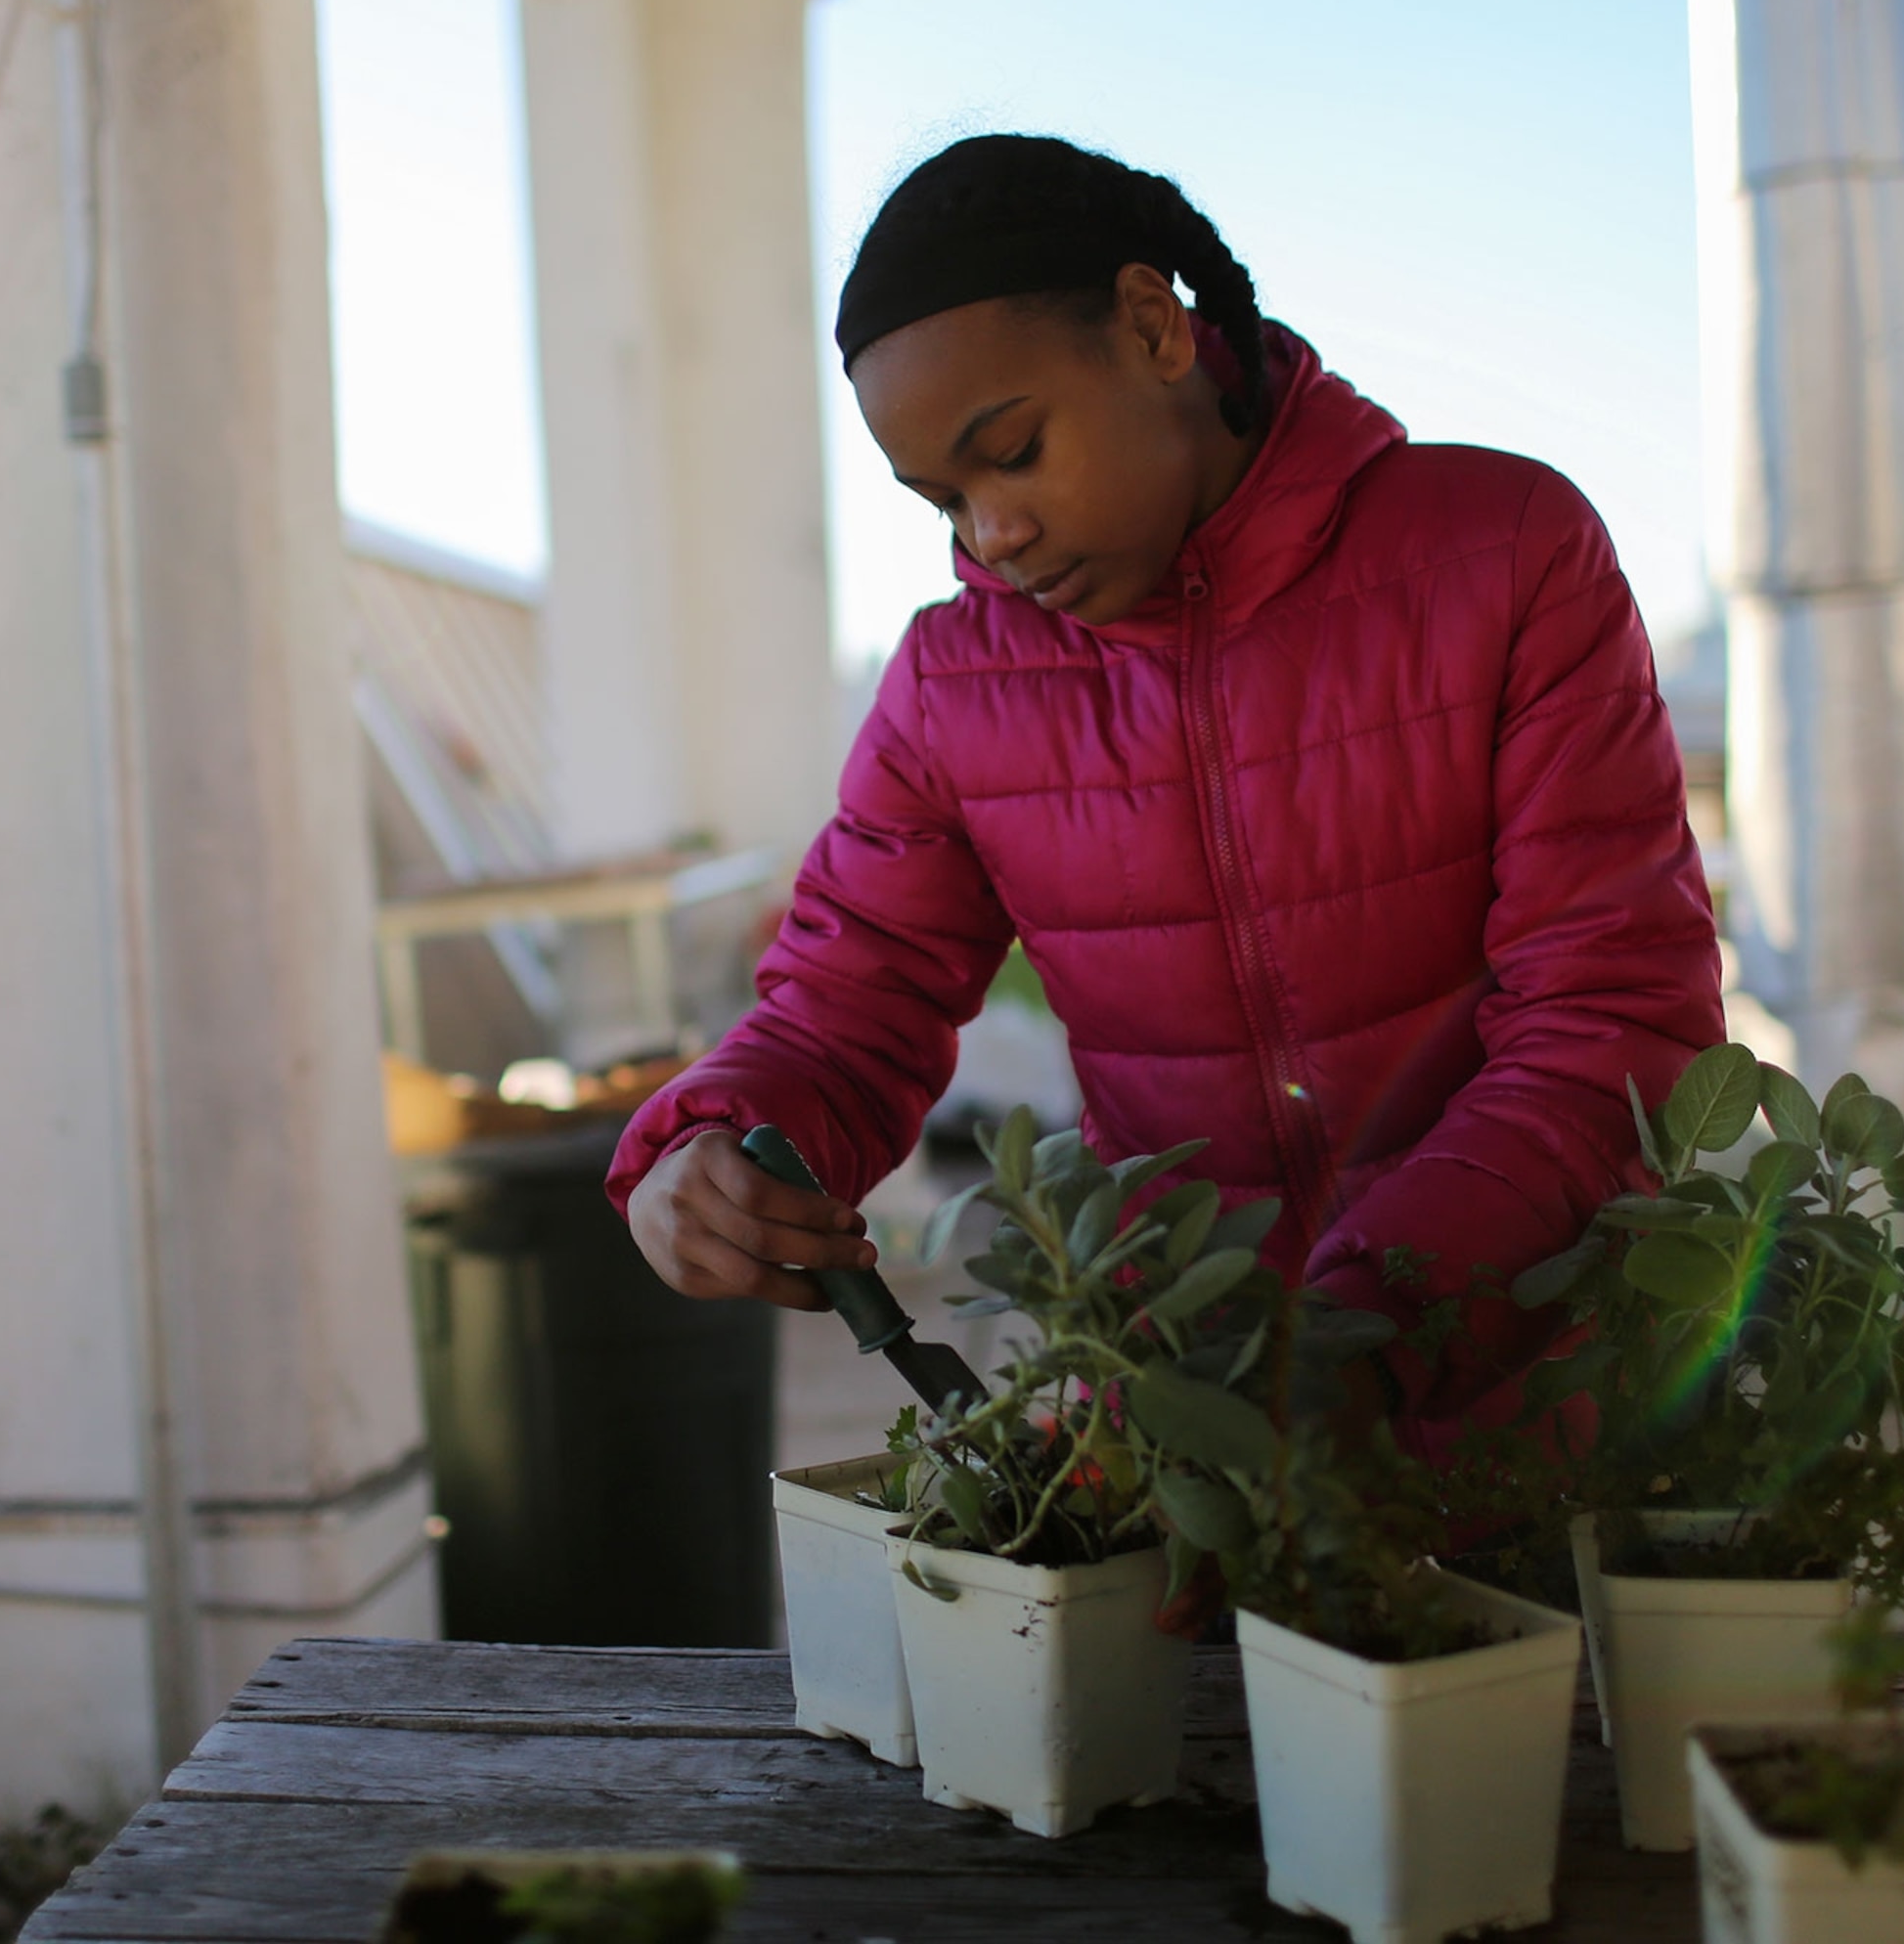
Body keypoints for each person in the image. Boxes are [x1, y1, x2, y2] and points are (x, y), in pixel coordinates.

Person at [607, 133, 1721, 1447]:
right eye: (943, 501)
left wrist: (1363, 1333)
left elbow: (1610, 1018)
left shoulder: (1504, 552)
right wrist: (712, 1146)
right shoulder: (953, 685)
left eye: (1013, 451)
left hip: (1541, 1411)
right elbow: (848, 1007)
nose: (992, 535)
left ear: (1152, 327)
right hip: (1188, 1441)